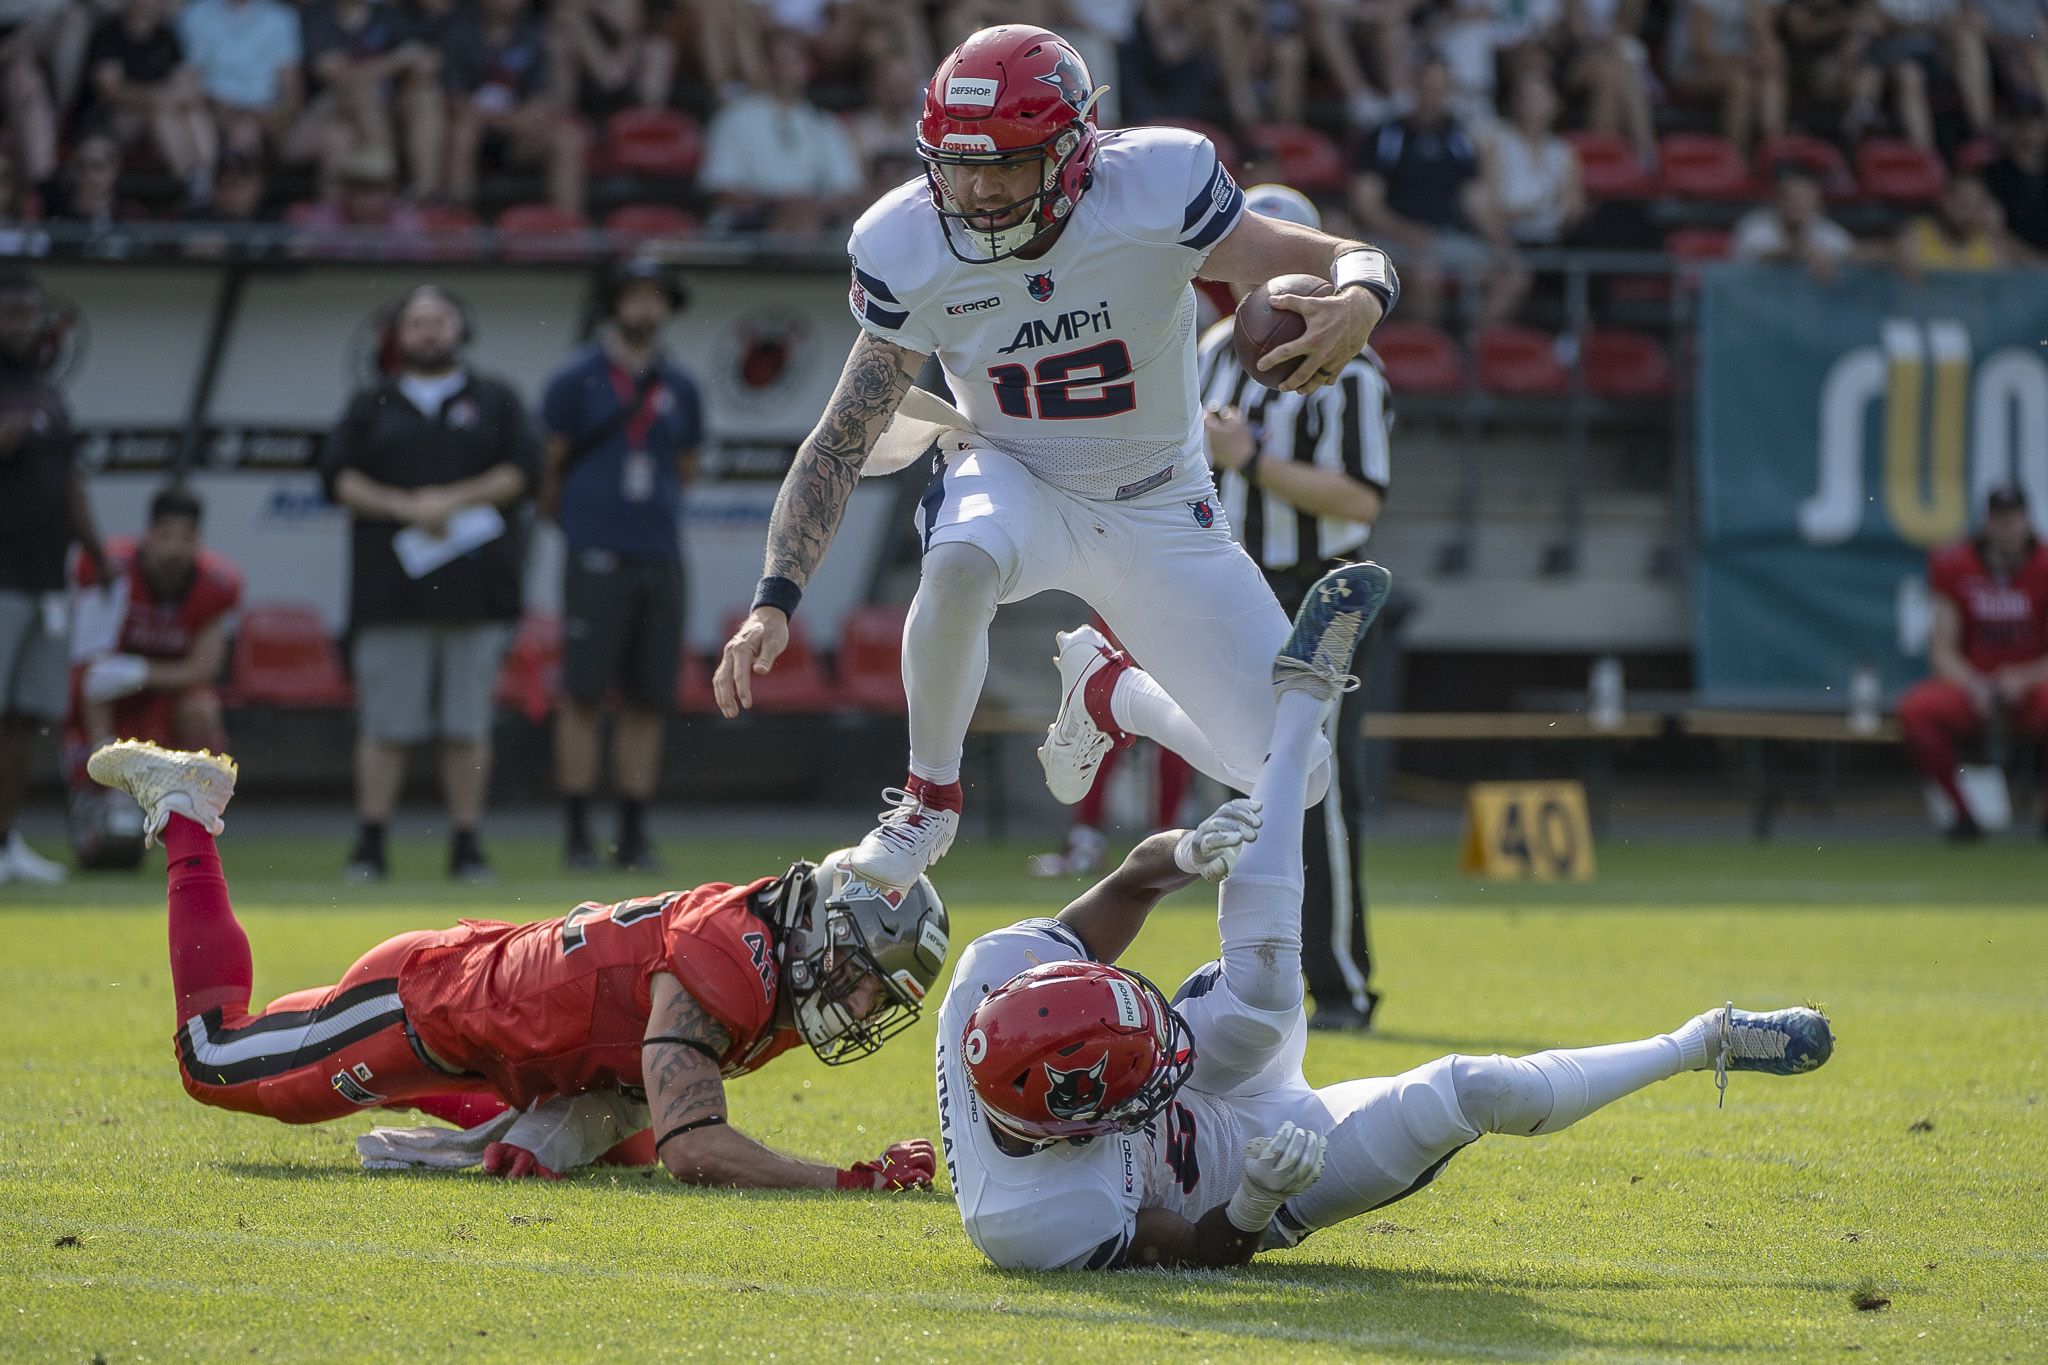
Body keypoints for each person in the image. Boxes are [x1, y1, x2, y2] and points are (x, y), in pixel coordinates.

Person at [937, 565, 1837, 1269]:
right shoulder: (1040, 1224)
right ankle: (1703, 1039)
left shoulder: (991, 975)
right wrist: (1251, 1202)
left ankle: (1293, 698)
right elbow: (1197, 1249)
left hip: (1205, 1079)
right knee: (1481, 1089)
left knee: (1258, 995)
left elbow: (1125, 888)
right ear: (1078, 1126)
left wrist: (1181, 855)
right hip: (1239, 1169)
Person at [714, 25, 1400, 893]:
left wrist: (1365, 299)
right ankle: (929, 797)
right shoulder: (910, 243)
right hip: (1013, 470)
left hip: (1158, 499)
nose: (976, 189)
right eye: (959, 165)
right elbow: (841, 438)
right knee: (959, 560)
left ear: (1075, 151)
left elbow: (1340, 254)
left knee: (1301, 774)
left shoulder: (1153, 190)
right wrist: (774, 597)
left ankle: (1117, 694)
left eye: (1004, 165)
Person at [85, 738, 947, 1187]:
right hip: (427, 1007)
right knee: (214, 1058)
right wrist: (846, 1177)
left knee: (618, 1150)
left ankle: (491, 1113)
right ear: (827, 923)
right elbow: (697, 1150)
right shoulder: (731, 956)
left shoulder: (778, 958)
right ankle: (189, 810)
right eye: (867, 972)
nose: (865, 1003)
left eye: (885, 997)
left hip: (509, 1034)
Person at [1196, 183, 1391, 1033]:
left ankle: (1341, 981)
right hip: (1224, 577)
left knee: (1316, 788)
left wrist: (1252, 456)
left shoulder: (1357, 366)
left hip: (1315, 582)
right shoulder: (1201, 351)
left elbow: (1358, 500)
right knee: (1239, 785)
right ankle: (1248, 973)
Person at [320, 285, 540, 883]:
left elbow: (524, 473)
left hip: (476, 596)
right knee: (384, 728)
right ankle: (370, 847)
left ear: (460, 329)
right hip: (390, 597)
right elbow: (337, 478)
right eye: (415, 323)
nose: (427, 333)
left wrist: (451, 499)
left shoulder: (495, 398)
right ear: (397, 335)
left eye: (439, 320)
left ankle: (466, 848)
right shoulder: (372, 402)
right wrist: (402, 505)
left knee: (467, 728)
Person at [538, 258, 700, 872]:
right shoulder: (576, 377)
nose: (645, 309)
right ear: (614, 303)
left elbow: (685, 469)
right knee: (580, 694)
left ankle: (633, 835)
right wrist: (585, 528)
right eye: (634, 296)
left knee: (648, 699)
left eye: (656, 298)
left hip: (659, 553)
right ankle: (577, 834)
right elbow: (548, 471)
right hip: (594, 554)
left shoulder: (680, 384)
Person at [0, 267, 103, 883]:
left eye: (27, 314)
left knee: (23, 718)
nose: (21, 325)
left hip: (46, 581)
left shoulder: (45, 391)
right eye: (8, 314)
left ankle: (6, 842)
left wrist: (99, 553)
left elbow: (68, 481)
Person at [1897, 483, 2048, 841]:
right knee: (1916, 710)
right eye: (1999, 519)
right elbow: (1942, 650)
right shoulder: (1955, 566)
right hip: (1975, 687)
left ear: (2027, 520)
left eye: (2013, 519)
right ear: (1986, 522)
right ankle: (1963, 815)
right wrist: (1974, 684)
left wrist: (2023, 679)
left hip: (2031, 686)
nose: (2006, 528)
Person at [67, 486, 239, 769]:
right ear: (147, 535)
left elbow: (204, 669)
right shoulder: (113, 571)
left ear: (199, 541)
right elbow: (90, 659)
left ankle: (190, 803)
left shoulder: (214, 586)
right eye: (165, 536)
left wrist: (140, 672)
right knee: (96, 682)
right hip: (112, 698)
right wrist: (118, 674)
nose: (175, 549)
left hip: (167, 693)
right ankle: (107, 787)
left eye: (186, 537)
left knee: (202, 709)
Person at [1349, 58, 1518, 327]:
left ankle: (1472, 350)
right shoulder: (1386, 136)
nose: (1433, 94)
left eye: (1440, 88)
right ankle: (1425, 354)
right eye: (1427, 86)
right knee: (1427, 274)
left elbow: (1474, 200)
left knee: (1512, 274)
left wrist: (1502, 244)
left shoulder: (1459, 139)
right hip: (1392, 239)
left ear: (1449, 91)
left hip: (1444, 238)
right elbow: (1366, 203)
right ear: (1414, 87)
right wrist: (1405, 233)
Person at [697, 26, 862, 233]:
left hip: (815, 221)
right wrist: (777, 205)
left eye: (794, 61)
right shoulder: (734, 117)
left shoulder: (826, 124)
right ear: (766, 65)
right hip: (752, 223)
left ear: (808, 67)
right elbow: (720, 190)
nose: (786, 69)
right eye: (779, 60)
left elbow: (847, 191)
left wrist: (809, 208)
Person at [441, 0, 584, 218]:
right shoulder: (459, 33)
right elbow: (459, 106)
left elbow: (540, 102)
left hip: (517, 139)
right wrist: (509, 120)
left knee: (566, 138)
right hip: (477, 138)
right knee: (463, 132)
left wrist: (513, 121)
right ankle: (459, 229)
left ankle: (568, 229)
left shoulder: (532, 35)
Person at [289, 0, 444, 201]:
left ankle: (427, 197)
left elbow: (421, 60)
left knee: (426, 96)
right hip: (327, 109)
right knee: (363, 93)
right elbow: (337, 76)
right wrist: (396, 61)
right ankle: (387, 189)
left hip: (385, 106)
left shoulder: (387, 15)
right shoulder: (318, 16)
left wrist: (420, 63)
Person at [81, 0, 214, 206]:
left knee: (193, 110)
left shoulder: (165, 35)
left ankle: (205, 178)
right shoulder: (109, 32)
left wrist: (179, 96)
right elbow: (110, 91)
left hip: (160, 113)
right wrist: (156, 98)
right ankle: (191, 187)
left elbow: (182, 82)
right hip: (113, 120)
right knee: (159, 111)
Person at [174, 0, 303, 157]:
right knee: (239, 129)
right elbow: (188, 78)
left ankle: (233, 174)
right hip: (212, 108)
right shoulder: (195, 13)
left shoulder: (282, 17)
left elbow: (291, 92)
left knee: (247, 129)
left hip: (264, 112)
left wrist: (274, 116)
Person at [1664, 0, 1787, 149]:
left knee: (1772, 75)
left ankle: (1774, 148)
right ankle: (1736, 157)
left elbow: (1770, 51)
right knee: (1739, 83)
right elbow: (1702, 52)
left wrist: (1759, 23)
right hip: (1690, 68)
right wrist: (1748, 62)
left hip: (1739, 68)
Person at [1731, 160, 1858, 281]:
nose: (1797, 206)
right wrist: (1806, 254)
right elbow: (1760, 256)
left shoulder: (1824, 228)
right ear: (1778, 201)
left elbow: (1852, 253)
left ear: (1818, 207)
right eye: (1792, 199)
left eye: (1804, 201)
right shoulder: (1756, 225)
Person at [1894, 171, 2027, 278]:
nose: (1967, 212)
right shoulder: (1916, 236)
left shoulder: (1991, 243)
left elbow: (2005, 292)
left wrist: (1998, 230)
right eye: (1962, 203)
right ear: (1944, 200)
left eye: (1975, 206)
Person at [1983, 97, 2048, 257]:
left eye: (2034, 121)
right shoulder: (1993, 174)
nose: (2028, 128)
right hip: (2014, 269)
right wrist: (2038, 263)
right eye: (2020, 120)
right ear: (2008, 127)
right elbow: (1993, 232)